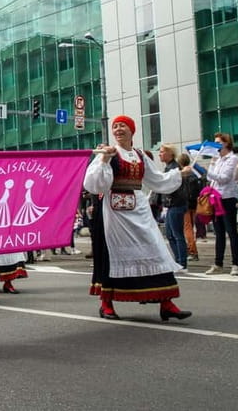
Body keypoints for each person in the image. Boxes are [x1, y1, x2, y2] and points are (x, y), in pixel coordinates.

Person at [84, 115, 192, 321]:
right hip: (115, 215)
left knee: (156, 249)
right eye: (115, 126)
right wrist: (104, 160)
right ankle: (106, 303)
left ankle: (166, 302)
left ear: (132, 130)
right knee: (113, 254)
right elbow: (94, 184)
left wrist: (179, 174)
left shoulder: (140, 155)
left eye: (122, 125)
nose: (118, 129)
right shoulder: (107, 153)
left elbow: (157, 180)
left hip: (139, 209)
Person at [204, 133, 238, 276]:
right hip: (216, 198)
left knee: (231, 231)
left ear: (226, 143)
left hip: (227, 198)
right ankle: (218, 263)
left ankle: (235, 264)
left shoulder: (232, 159)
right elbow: (212, 179)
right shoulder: (218, 159)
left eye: (218, 143)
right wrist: (211, 167)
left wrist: (209, 171)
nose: (216, 146)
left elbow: (224, 178)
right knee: (218, 232)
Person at [158, 144, 188, 272]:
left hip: (176, 204)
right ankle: (178, 261)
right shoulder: (170, 168)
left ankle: (182, 262)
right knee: (170, 235)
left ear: (170, 153)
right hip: (171, 205)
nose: (160, 154)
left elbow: (172, 186)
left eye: (162, 151)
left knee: (177, 234)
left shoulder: (174, 168)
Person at [177, 153, 200, 261]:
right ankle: (192, 249)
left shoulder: (183, 174)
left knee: (187, 228)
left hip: (185, 203)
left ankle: (192, 251)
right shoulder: (194, 174)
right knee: (191, 228)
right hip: (194, 203)